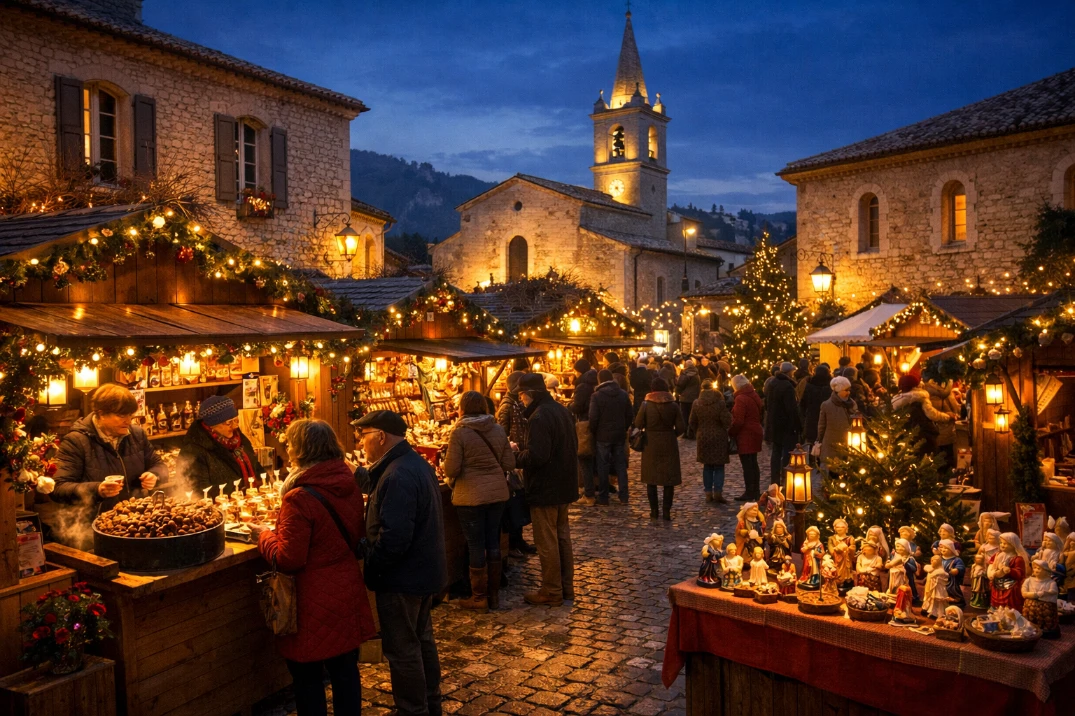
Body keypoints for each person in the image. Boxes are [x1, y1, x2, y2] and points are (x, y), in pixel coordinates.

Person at [250, 419, 375, 716]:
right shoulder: (347, 480)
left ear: (303, 450)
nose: (288, 448)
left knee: (307, 678)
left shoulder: (300, 497)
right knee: (345, 670)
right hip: (345, 587)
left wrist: (263, 536)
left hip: (311, 598)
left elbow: (289, 558)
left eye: (291, 443)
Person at [353, 410, 446, 716]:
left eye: (363, 436)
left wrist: (373, 563)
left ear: (381, 436)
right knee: (421, 641)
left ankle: (412, 710)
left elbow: (394, 537)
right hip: (422, 571)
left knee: (403, 649)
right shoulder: (409, 464)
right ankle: (430, 704)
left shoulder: (398, 474)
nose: (361, 443)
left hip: (402, 577)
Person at [52, 383, 168, 548]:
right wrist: (97, 490)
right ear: (101, 414)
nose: (128, 421)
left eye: (130, 415)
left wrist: (155, 475)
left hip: (135, 526)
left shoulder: (137, 435)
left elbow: (159, 465)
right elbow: (58, 487)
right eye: (121, 416)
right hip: (91, 531)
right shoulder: (76, 441)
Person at [442, 391, 515, 612]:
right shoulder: (498, 429)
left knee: (476, 544)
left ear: (462, 409)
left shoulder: (459, 433)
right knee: (493, 541)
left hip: (470, 497)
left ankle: (479, 598)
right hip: (496, 495)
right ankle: (494, 596)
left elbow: (451, 468)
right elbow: (509, 463)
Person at [515, 373, 578, 606]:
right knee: (562, 537)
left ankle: (552, 591)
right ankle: (566, 588)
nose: (520, 400)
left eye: (521, 395)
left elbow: (537, 456)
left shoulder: (539, 416)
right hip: (563, 484)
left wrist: (514, 457)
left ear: (529, 395)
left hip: (546, 487)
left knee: (547, 540)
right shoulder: (561, 410)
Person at [177, 395, 260, 497]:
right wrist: (241, 487)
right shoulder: (193, 451)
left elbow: (256, 467)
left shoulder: (239, 438)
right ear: (212, 425)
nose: (235, 426)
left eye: (236, 420)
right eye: (229, 422)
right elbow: (197, 491)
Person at [496, 372, 536, 558]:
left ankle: (518, 540)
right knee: (514, 501)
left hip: (520, 454)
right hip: (513, 456)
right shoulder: (506, 406)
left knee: (519, 499)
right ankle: (513, 542)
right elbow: (502, 432)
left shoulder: (517, 403)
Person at [633, 376, 685, 520]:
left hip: (651, 443)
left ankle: (654, 511)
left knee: (651, 478)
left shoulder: (646, 405)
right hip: (669, 442)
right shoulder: (674, 405)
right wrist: (672, 434)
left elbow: (638, 423)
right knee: (669, 479)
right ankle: (666, 511)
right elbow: (681, 427)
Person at [588, 369, 633, 505]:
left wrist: (594, 431)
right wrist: (623, 428)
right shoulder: (623, 394)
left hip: (602, 436)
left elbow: (593, 418)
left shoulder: (596, 396)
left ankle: (603, 496)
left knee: (603, 466)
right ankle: (624, 496)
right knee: (620, 466)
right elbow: (630, 415)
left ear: (599, 380)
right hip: (619, 435)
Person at [689, 380, 732, 503]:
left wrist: (699, 430)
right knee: (719, 466)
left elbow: (692, 422)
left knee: (707, 466)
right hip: (719, 437)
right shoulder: (720, 403)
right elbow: (727, 421)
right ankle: (718, 492)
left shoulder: (696, 403)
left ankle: (708, 493)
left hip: (703, 437)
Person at [891, 373, 952, 458]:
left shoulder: (896, 401)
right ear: (915, 385)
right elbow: (932, 414)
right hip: (923, 435)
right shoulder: (920, 397)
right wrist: (948, 417)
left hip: (905, 437)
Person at [765, 362, 801, 486]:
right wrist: (797, 425)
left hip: (774, 423)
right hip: (786, 425)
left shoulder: (772, 383)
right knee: (787, 453)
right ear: (789, 372)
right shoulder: (787, 386)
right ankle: (786, 479)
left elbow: (767, 405)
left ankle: (774, 481)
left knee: (776, 452)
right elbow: (791, 409)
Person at [729, 375, 764, 501]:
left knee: (748, 464)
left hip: (746, 434)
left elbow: (739, 420)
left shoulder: (741, 398)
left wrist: (731, 432)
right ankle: (756, 491)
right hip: (755, 430)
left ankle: (750, 491)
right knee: (753, 463)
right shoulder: (753, 394)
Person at [815, 376, 858, 476]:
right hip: (832, 444)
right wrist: (819, 440)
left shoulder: (852, 404)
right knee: (834, 472)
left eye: (849, 390)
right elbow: (822, 425)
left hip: (850, 443)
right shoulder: (826, 405)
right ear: (838, 391)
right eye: (846, 390)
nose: (849, 392)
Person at [570, 358, 598, 492]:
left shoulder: (582, 386)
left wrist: (569, 406)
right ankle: (591, 488)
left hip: (583, 424)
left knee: (583, 457)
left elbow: (577, 406)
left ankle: (588, 491)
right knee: (591, 458)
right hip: (594, 423)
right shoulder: (594, 384)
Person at [799, 364, 832, 460]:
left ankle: (813, 459)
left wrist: (804, 417)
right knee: (823, 439)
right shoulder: (829, 388)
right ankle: (822, 459)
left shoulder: (809, 387)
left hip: (811, 418)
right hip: (825, 418)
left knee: (812, 441)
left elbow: (803, 404)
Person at [675, 359, 702, 439]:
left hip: (684, 399)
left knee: (685, 416)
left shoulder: (684, 374)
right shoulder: (697, 374)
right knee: (693, 416)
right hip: (694, 398)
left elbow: (680, 385)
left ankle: (686, 432)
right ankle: (692, 432)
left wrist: (678, 393)